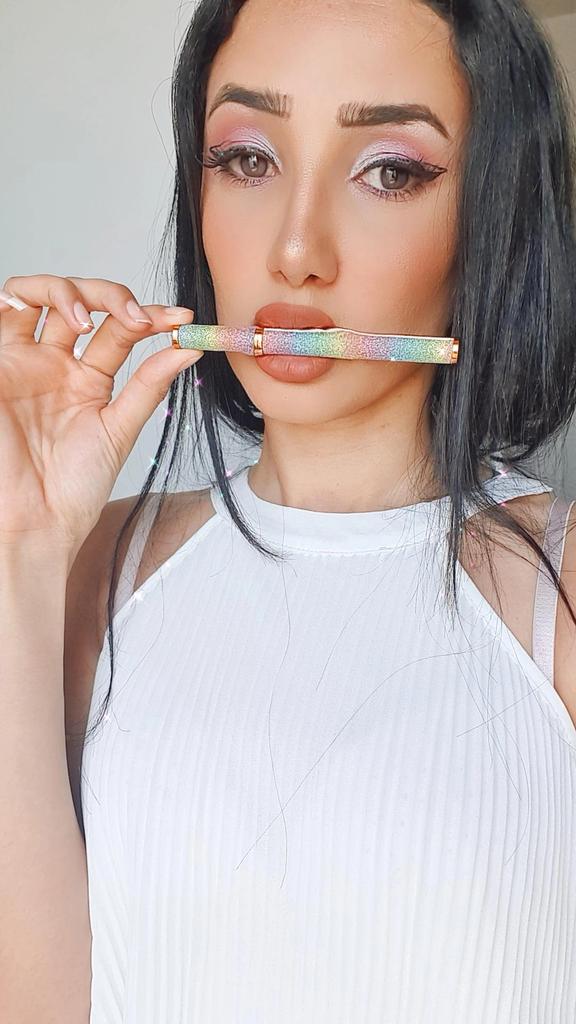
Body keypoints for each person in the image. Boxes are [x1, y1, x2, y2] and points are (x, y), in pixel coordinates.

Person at [1, 0, 576, 1021]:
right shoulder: (92, 571)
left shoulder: (557, 597)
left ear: (493, 218)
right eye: (248, 159)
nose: (296, 249)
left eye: (390, 171)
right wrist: (24, 549)